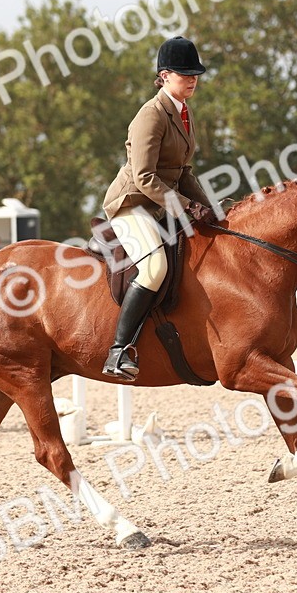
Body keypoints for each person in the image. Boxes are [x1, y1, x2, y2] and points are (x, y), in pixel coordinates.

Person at [100, 35, 218, 381]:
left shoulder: (184, 112)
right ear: (164, 75)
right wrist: (187, 207)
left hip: (160, 204)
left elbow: (183, 172)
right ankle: (119, 350)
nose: (192, 79)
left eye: (195, 73)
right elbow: (145, 177)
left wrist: (210, 209)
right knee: (154, 268)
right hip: (132, 203)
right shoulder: (150, 115)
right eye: (185, 74)